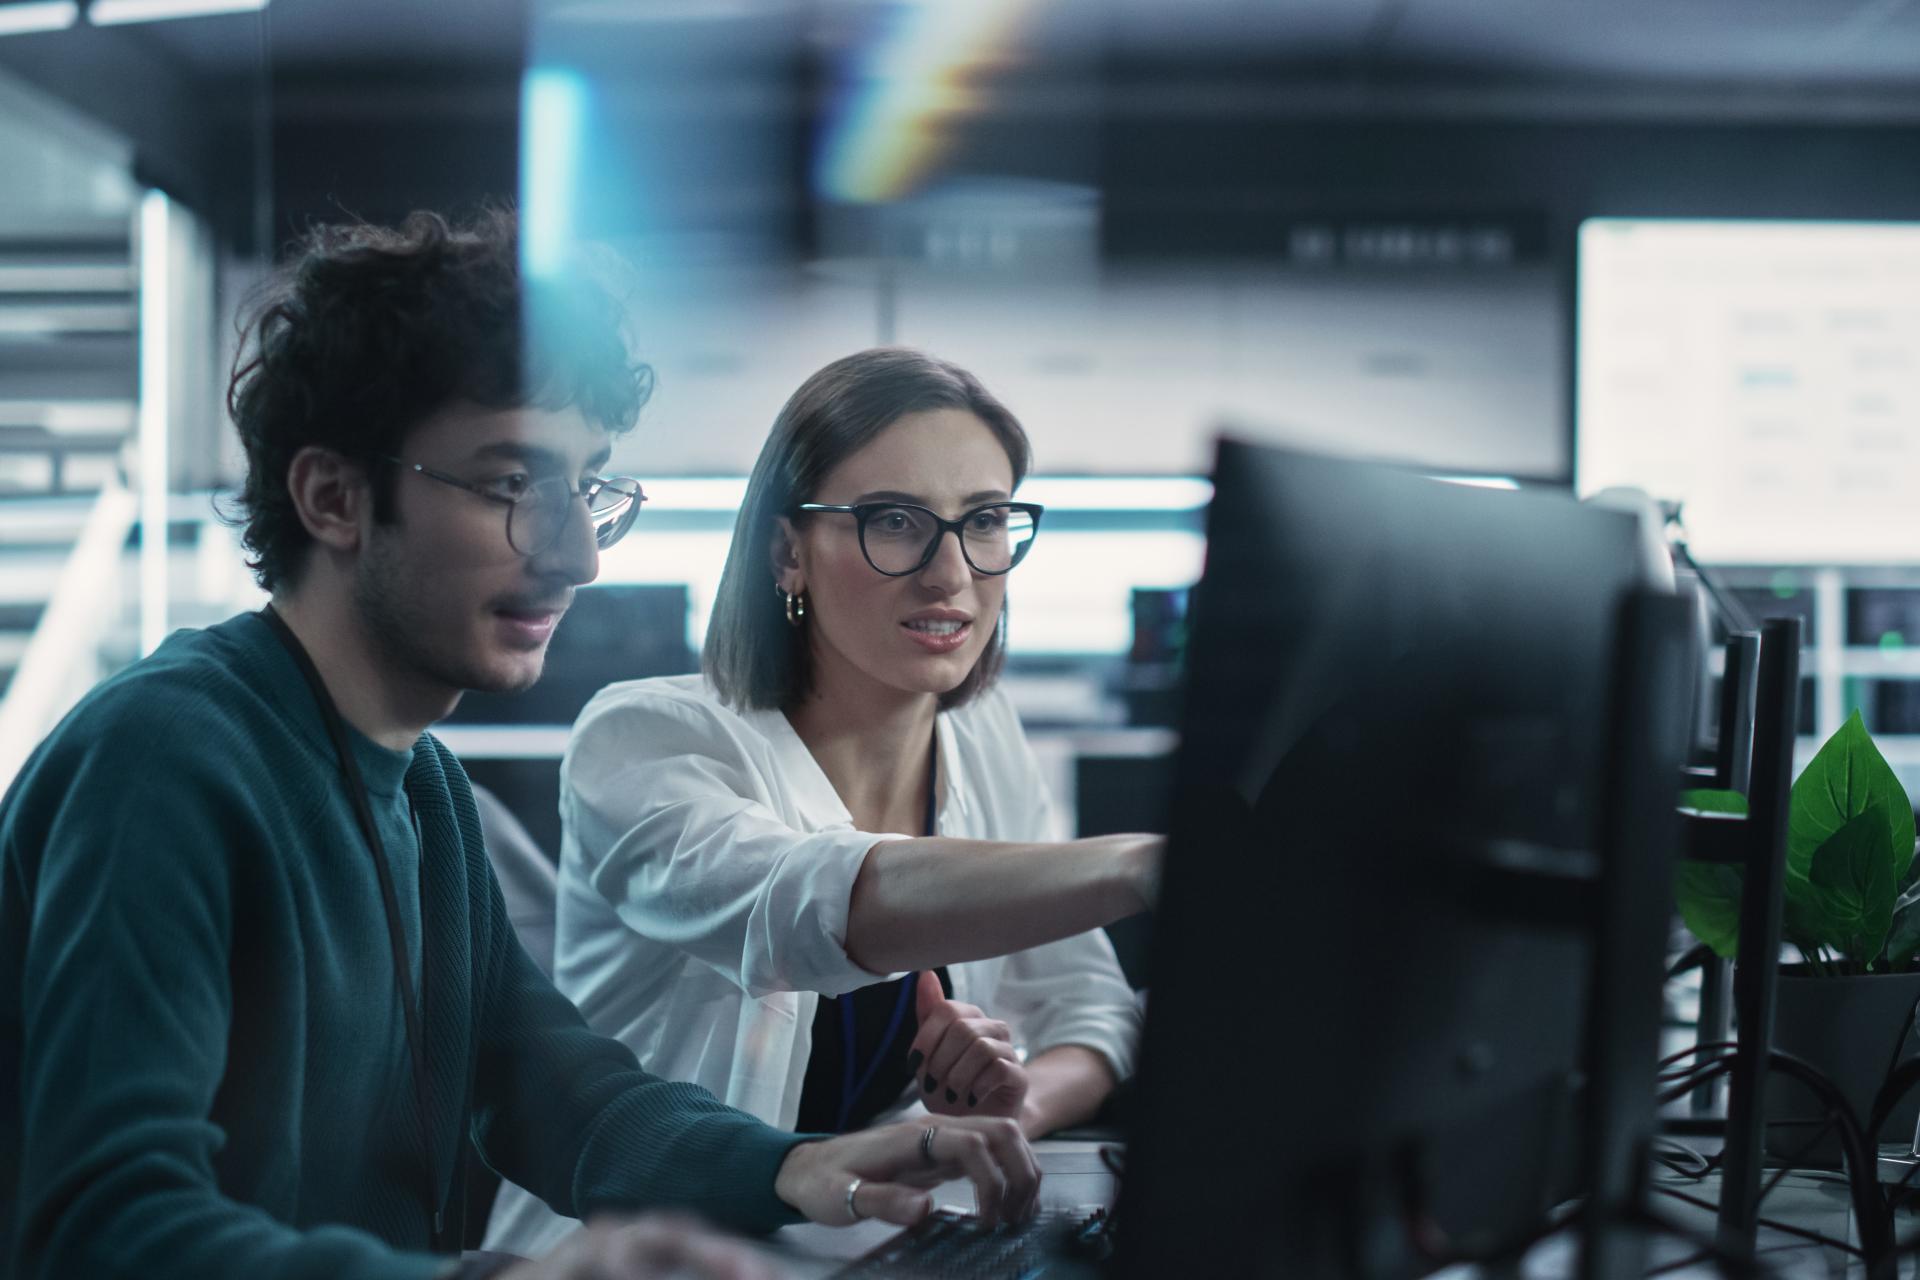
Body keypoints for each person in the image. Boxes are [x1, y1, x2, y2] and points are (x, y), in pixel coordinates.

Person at [0, 214, 1039, 1280]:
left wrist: (798, 1167)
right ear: (334, 496)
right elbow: (106, 1226)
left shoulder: (427, 791)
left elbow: (553, 1090)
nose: (578, 552)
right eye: (510, 485)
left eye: (585, 486)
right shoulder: (163, 758)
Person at [486, 347, 1156, 1258]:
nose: (949, 573)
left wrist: (989, 1118)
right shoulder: (643, 738)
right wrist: (1138, 865)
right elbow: (811, 903)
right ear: (787, 551)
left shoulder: (983, 734)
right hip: (621, 1262)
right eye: (893, 521)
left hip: (835, 1247)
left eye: (985, 520)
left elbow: (1090, 1008)